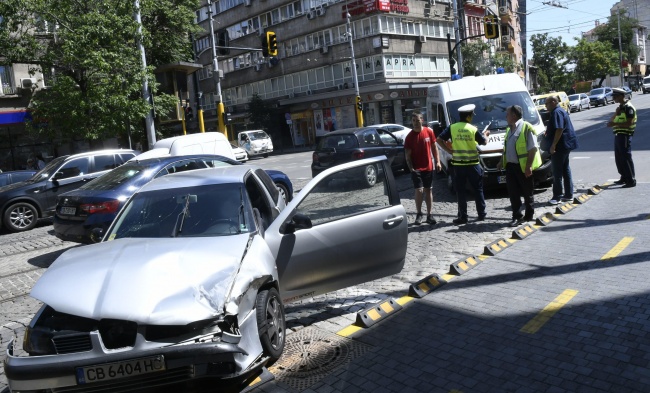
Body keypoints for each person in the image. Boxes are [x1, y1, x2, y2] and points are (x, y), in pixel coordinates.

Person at [436, 104, 489, 225]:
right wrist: (486, 135)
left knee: (460, 191)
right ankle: (481, 214)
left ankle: (463, 216)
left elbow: (438, 139)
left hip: (459, 165)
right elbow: (484, 143)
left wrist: (448, 150)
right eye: (472, 115)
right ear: (469, 116)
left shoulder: (452, 127)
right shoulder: (472, 129)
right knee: (478, 189)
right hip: (473, 165)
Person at [498, 105, 542, 227]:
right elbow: (506, 148)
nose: (505, 117)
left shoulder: (526, 127)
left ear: (514, 116)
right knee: (513, 193)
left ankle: (529, 214)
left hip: (522, 166)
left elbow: (533, 149)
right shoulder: (509, 129)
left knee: (527, 192)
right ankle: (517, 216)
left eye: (507, 114)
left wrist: (528, 166)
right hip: (510, 167)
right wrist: (501, 161)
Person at [404, 111, 442, 225]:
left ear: (422, 120)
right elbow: (407, 155)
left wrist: (438, 162)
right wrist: (411, 169)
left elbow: (434, 148)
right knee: (419, 190)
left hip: (428, 167)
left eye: (417, 120)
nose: (415, 123)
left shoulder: (429, 132)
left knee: (428, 189)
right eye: (413, 121)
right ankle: (419, 213)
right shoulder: (409, 137)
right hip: (416, 168)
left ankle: (429, 215)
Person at [544, 95, 578, 205]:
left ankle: (557, 196)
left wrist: (553, 145)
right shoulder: (559, 111)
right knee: (565, 169)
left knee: (557, 171)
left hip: (560, 146)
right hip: (565, 145)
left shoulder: (556, 112)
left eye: (547, 103)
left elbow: (559, 129)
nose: (545, 106)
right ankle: (568, 194)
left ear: (553, 102)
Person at [606, 87, 636, 188]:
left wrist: (614, 123)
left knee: (626, 157)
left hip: (625, 135)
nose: (614, 98)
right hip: (619, 135)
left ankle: (631, 180)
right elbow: (611, 121)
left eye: (616, 96)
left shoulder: (628, 107)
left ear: (622, 96)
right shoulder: (621, 108)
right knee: (619, 158)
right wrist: (616, 114)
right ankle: (624, 177)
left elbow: (629, 123)